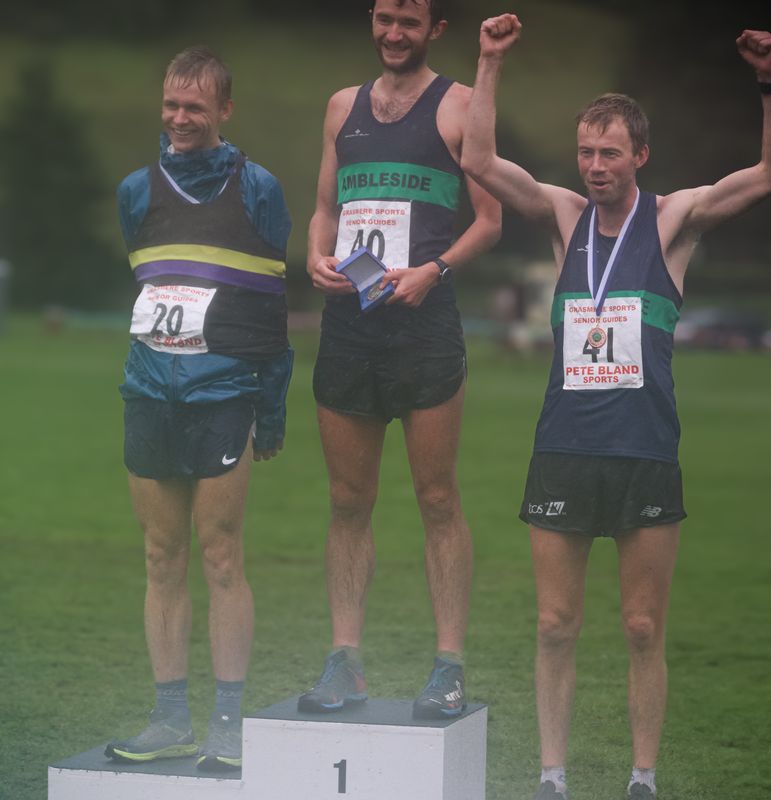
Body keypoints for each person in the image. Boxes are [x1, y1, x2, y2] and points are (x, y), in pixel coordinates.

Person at [462, 15, 771, 800]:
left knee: (643, 628)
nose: (596, 165)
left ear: (640, 155)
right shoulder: (564, 217)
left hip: (645, 447)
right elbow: (476, 157)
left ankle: (642, 779)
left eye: (610, 152)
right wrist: (488, 61)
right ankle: (552, 777)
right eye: (586, 152)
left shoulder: (674, 220)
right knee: (554, 625)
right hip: (566, 447)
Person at [300, 0, 502, 719]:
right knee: (347, 501)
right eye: (384, 17)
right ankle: (344, 662)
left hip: (424, 325)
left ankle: (448, 665)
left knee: (438, 499)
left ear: (434, 29)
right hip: (349, 325)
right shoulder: (340, 106)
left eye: (408, 22)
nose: (393, 32)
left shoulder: (460, 106)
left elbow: (491, 219)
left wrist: (434, 271)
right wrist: (316, 254)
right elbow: (325, 207)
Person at [104, 46, 293, 771]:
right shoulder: (134, 191)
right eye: (172, 105)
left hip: (225, 394)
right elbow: (150, 282)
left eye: (195, 107)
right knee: (160, 555)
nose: (181, 119)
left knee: (220, 556)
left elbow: (273, 308)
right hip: (149, 392)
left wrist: (269, 412)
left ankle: (227, 724)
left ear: (224, 110)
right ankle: (169, 716)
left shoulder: (259, 188)